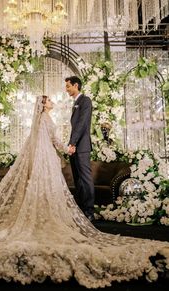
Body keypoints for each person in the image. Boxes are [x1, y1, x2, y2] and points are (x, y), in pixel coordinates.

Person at [0, 95, 168, 289]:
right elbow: (55, 139)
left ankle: (41, 212)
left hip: (43, 159)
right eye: (49, 100)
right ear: (44, 105)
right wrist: (67, 148)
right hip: (48, 157)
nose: (52, 102)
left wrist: (65, 147)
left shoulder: (41, 120)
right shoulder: (46, 118)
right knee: (50, 189)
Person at [65, 76, 95, 221]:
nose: (67, 89)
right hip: (75, 147)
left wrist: (73, 143)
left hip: (81, 146)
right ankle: (82, 210)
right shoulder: (76, 103)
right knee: (78, 180)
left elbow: (82, 124)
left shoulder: (85, 101)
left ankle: (89, 211)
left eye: (68, 86)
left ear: (76, 85)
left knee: (85, 179)